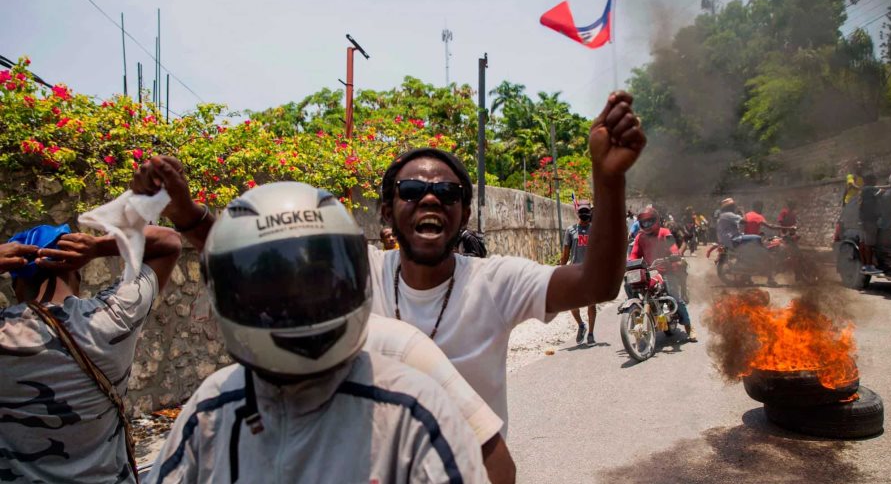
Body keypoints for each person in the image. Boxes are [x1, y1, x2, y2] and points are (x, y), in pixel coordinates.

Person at [145, 177, 488, 483]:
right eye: (275, 290)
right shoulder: (212, 410)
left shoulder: (411, 411)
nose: (300, 303)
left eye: (318, 284)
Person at [370, 91, 646, 431]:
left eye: (447, 193)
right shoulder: (362, 276)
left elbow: (598, 284)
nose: (429, 198)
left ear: (465, 214)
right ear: (386, 212)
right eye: (411, 190)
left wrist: (609, 178)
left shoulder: (496, 282)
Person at [0, 220, 183, 481]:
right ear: (77, 274)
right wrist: (98, 246)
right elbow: (169, 242)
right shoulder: (112, 317)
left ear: (16, 284)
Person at [629, 207, 696, 342]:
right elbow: (634, 254)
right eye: (644, 222)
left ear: (656, 220)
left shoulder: (664, 232)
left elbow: (673, 247)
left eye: (649, 222)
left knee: (675, 298)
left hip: (668, 270)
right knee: (630, 285)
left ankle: (689, 327)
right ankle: (637, 311)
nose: (646, 225)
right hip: (650, 272)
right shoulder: (639, 237)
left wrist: (674, 255)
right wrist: (630, 264)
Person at [559, 201, 598, 345]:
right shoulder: (570, 230)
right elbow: (565, 253)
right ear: (577, 213)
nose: (584, 214)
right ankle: (581, 325)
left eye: (586, 211)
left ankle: (591, 334)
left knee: (591, 304)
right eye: (582, 211)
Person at [858, 174, 883, 275]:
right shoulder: (869, 189)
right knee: (869, 244)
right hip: (870, 221)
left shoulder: (863, 190)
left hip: (863, 221)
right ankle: (869, 266)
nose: (876, 181)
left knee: (863, 243)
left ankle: (864, 265)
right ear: (871, 180)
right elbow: (879, 193)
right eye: (875, 179)